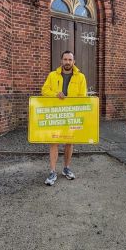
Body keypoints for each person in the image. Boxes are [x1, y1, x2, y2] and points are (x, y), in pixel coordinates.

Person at [41, 51, 87, 186]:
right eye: (65, 59)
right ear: (61, 60)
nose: (67, 62)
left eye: (70, 60)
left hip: (72, 114)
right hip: (56, 113)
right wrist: (56, 94)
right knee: (54, 141)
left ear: (74, 61)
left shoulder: (81, 77)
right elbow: (44, 90)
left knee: (69, 142)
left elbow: (82, 96)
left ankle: (66, 168)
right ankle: (52, 171)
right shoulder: (52, 75)